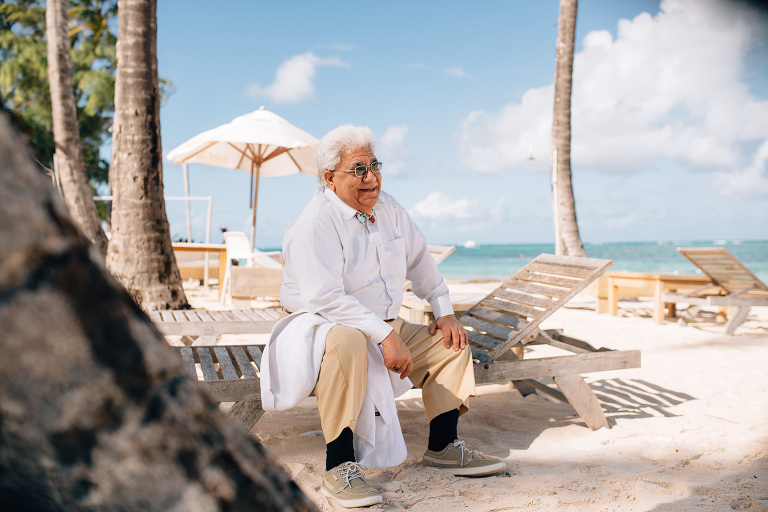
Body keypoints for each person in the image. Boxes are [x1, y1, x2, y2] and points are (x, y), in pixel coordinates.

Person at [260, 125, 506, 508]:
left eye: (375, 165)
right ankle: (338, 466)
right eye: (358, 169)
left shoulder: (388, 206)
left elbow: (421, 261)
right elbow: (325, 298)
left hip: (385, 323)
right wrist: (385, 336)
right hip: (321, 327)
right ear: (330, 177)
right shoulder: (315, 223)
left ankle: (444, 446)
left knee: (450, 340)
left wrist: (445, 312)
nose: (371, 177)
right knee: (348, 339)